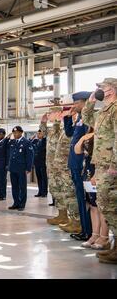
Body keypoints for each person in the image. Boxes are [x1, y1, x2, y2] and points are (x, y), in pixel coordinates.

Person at [82, 77, 117, 264]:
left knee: (110, 205)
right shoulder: (104, 111)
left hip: (112, 167)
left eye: (102, 88)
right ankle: (114, 247)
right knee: (106, 204)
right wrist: (90, 102)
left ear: (111, 90)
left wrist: (114, 166)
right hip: (102, 165)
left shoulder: (116, 109)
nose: (99, 90)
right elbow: (87, 118)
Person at [64, 91, 92, 241]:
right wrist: (68, 117)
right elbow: (70, 133)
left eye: (76, 103)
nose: (74, 106)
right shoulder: (80, 118)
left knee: (86, 199)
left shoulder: (89, 117)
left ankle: (89, 231)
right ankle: (84, 229)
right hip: (75, 163)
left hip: (82, 163)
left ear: (85, 102)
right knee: (80, 198)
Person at [75, 130, 109, 250]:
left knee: (101, 207)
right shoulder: (88, 134)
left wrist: (97, 174)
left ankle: (104, 237)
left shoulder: (105, 134)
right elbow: (77, 150)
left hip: (99, 171)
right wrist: (83, 137)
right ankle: (95, 235)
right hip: (88, 170)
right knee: (93, 206)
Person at [41, 107, 69, 224]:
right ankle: (61, 215)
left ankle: (73, 219)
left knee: (65, 191)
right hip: (52, 166)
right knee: (55, 190)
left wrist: (57, 121)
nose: (48, 115)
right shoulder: (53, 128)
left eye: (50, 113)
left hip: (61, 167)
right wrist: (43, 122)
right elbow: (44, 133)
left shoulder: (63, 127)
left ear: (58, 113)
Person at [8, 126, 34, 211]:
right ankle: (16, 203)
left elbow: (30, 156)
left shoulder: (26, 142)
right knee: (14, 186)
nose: (15, 134)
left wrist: (28, 168)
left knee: (22, 187)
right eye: (14, 133)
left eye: (16, 132)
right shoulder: (12, 142)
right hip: (13, 168)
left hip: (21, 168)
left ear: (21, 133)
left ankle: (22, 204)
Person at [32, 130, 48, 198]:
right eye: (37, 133)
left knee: (44, 178)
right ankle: (40, 191)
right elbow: (29, 143)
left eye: (39, 133)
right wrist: (32, 138)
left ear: (43, 134)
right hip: (37, 162)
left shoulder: (45, 141)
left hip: (43, 162)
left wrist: (44, 135)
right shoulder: (36, 141)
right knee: (39, 178)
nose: (38, 135)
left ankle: (44, 192)